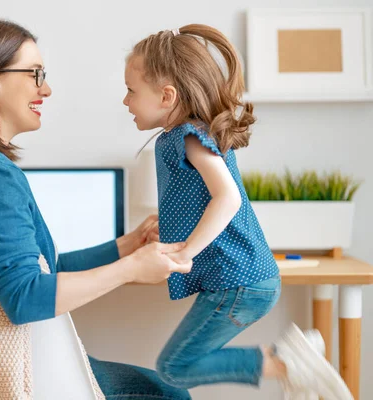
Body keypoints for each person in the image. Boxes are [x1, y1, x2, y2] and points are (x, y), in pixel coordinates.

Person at [0, 17, 193, 399]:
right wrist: (130, 269)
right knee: (170, 394)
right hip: (24, 373)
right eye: (35, 74)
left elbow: (43, 270)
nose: (46, 89)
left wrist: (128, 245)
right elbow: (24, 297)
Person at [122, 24, 353, 399]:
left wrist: (185, 251)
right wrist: (166, 229)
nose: (125, 101)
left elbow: (226, 198)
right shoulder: (183, 136)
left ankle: (288, 363)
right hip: (240, 281)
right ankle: (289, 360)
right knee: (176, 366)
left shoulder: (189, 136)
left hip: (239, 282)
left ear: (166, 96)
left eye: (131, 91)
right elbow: (199, 199)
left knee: (174, 367)